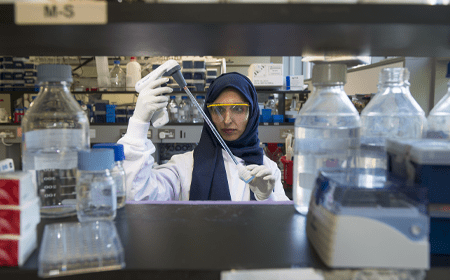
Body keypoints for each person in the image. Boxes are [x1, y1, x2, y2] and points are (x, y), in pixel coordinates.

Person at [118, 67, 289, 201]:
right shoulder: (184, 166)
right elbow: (137, 195)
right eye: (218, 110)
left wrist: (267, 198)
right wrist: (138, 124)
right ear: (208, 114)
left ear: (252, 114)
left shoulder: (268, 170)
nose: (227, 120)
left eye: (238, 109)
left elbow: (281, 231)